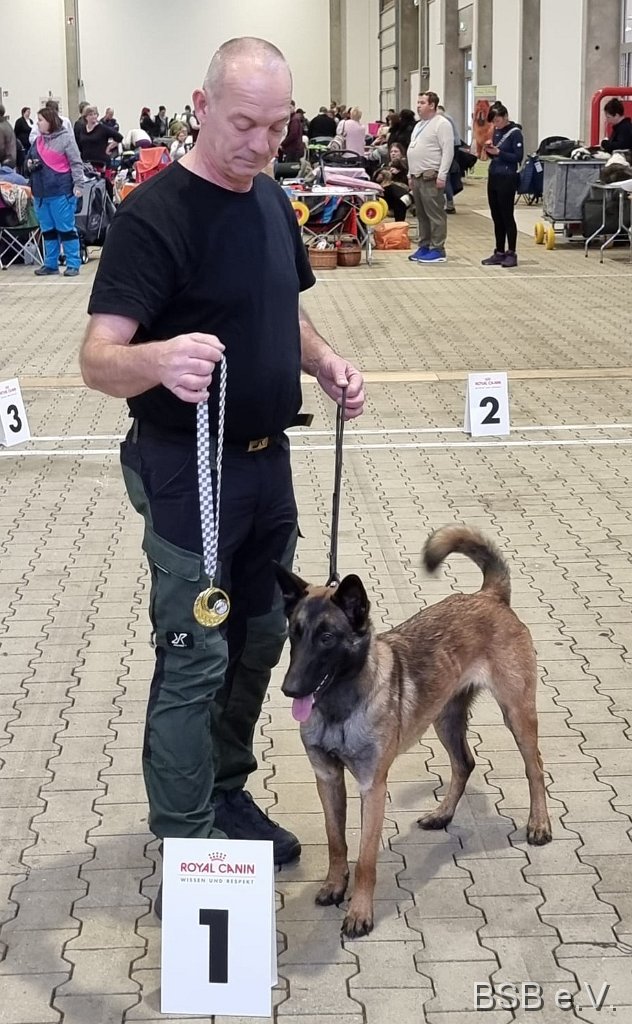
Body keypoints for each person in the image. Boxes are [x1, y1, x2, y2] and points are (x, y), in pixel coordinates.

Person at [78, 36, 365, 918]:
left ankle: (227, 792)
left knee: (262, 641)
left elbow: (284, 311)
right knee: (194, 653)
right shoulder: (154, 217)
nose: (261, 144)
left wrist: (324, 363)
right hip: (185, 469)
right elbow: (97, 359)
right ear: (201, 108)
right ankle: (185, 835)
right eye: (244, 124)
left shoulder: (273, 199)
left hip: (267, 466)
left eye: (278, 128)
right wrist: (158, 359)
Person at [26, 106, 83, 277]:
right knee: (48, 230)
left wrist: (78, 185)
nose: (37, 123)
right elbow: (27, 161)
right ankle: (50, 264)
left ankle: (73, 264)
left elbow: (76, 163)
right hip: (41, 194)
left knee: (66, 229)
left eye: (40, 120)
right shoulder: (37, 142)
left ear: (50, 121)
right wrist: (29, 165)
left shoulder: (66, 139)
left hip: (61, 192)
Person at [406, 91, 454, 264]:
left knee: (435, 214)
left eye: (422, 103)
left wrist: (442, 175)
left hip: (431, 176)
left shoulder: (442, 124)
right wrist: (409, 174)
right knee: (422, 214)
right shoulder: (419, 125)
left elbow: (448, 151)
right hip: (417, 176)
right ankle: (424, 244)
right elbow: (413, 149)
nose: (418, 106)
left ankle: (438, 248)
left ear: (432, 105)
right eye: (418, 102)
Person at [481, 103, 524, 268]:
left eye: (498, 121)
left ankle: (511, 252)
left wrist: (499, 152)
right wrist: (489, 151)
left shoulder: (515, 133)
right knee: (496, 216)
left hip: (507, 178)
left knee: (507, 216)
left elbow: (517, 157)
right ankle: (499, 251)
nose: (496, 124)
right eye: (493, 122)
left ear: (505, 117)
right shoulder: (496, 131)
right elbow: (496, 155)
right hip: (494, 176)